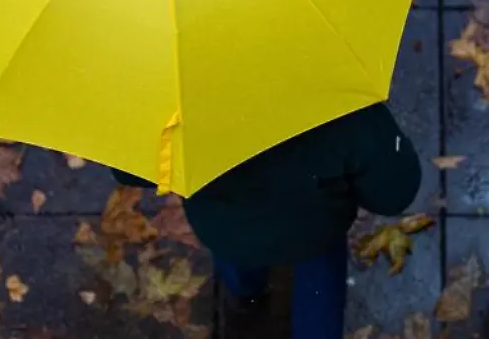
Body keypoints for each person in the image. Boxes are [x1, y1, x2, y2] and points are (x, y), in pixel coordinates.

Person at [112, 103, 421, 339]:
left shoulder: (168, 104)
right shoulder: (341, 105)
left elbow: (127, 169)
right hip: (315, 231)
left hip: (224, 227)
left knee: (236, 260)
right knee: (319, 292)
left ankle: (245, 294)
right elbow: (394, 193)